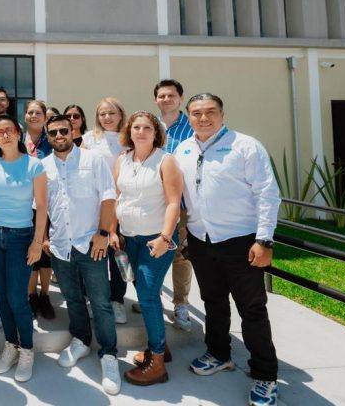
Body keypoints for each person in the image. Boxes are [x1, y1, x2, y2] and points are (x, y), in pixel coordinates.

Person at [175, 93, 281, 406]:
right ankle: (219, 353)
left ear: (222, 113)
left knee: (252, 309)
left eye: (210, 112)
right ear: (188, 116)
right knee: (213, 301)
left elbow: (267, 194)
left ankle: (265, 375)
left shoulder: (245, 146)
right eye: (196, 113)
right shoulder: (183, 149)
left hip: (241, 241)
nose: (203, 118)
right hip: (201, 240)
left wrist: (264, 240)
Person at [42, 115, 121, 395]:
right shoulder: (43, 166)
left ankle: (109, 354)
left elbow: (108, 197)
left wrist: (103, 233)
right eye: (54, 132)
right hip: (61, 246)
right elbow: (41, 207)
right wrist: (44, 237)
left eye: (64, 130)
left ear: (73, 132)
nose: (60, 135)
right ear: (47, 136)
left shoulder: (93, 160)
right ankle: (81, 340)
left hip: (91, 243)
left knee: (100, 301)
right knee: (72, 297)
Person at [111, 111, 182, 386]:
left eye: (147, 128)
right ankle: (161, 346)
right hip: (130, 238)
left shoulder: (166, 160)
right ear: (129, 131)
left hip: (156, 239)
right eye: (136, 127)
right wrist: (113, 231)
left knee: (148, 295)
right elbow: (117, 197)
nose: (141, 132)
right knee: (141, 289)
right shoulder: (122, 160)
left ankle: (157, 365)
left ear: (156, 133)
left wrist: (165, 237)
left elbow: (174, 203)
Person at [0, 115, 48, 383]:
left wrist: (37, 241)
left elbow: (41, 207)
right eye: (0, 132)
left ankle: (27, 350)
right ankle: (11, 344)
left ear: (18, 134)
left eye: (10, 130)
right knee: (3, 295)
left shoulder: (34, 165)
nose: (5, 135)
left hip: (21, 237)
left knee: (19, 298)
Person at [153, 79, 196, 331]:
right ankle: (153, 297)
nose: (166, 99)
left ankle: (181, 303)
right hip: (152, 203)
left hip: (181, 203)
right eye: (161, 96)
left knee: (179, 255)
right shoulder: (150, 126)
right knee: (152, 252)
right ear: (156, 100)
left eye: (171, 95)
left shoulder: (192, 127)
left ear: (180, 98)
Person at [82, 97, 128, 324]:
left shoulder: (129, 139)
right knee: (94, 255)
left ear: (120, 115)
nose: (107, 118)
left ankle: (117, 300)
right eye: (102, 114)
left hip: (121, 204)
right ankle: (95, 298)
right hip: (93, 206)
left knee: (117, 253)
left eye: (111, 113)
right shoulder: (88, 139)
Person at [22, 100, 54, 320]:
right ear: (25, 116)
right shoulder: (18, 140)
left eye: (38, 113)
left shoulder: (52, 140)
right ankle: (31, 295)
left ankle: (45, 295)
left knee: (45, 250)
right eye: (30, 112)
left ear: (45, 116)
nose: (34, 116)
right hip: (23, 202)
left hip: (49, 203)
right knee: (29, 251)